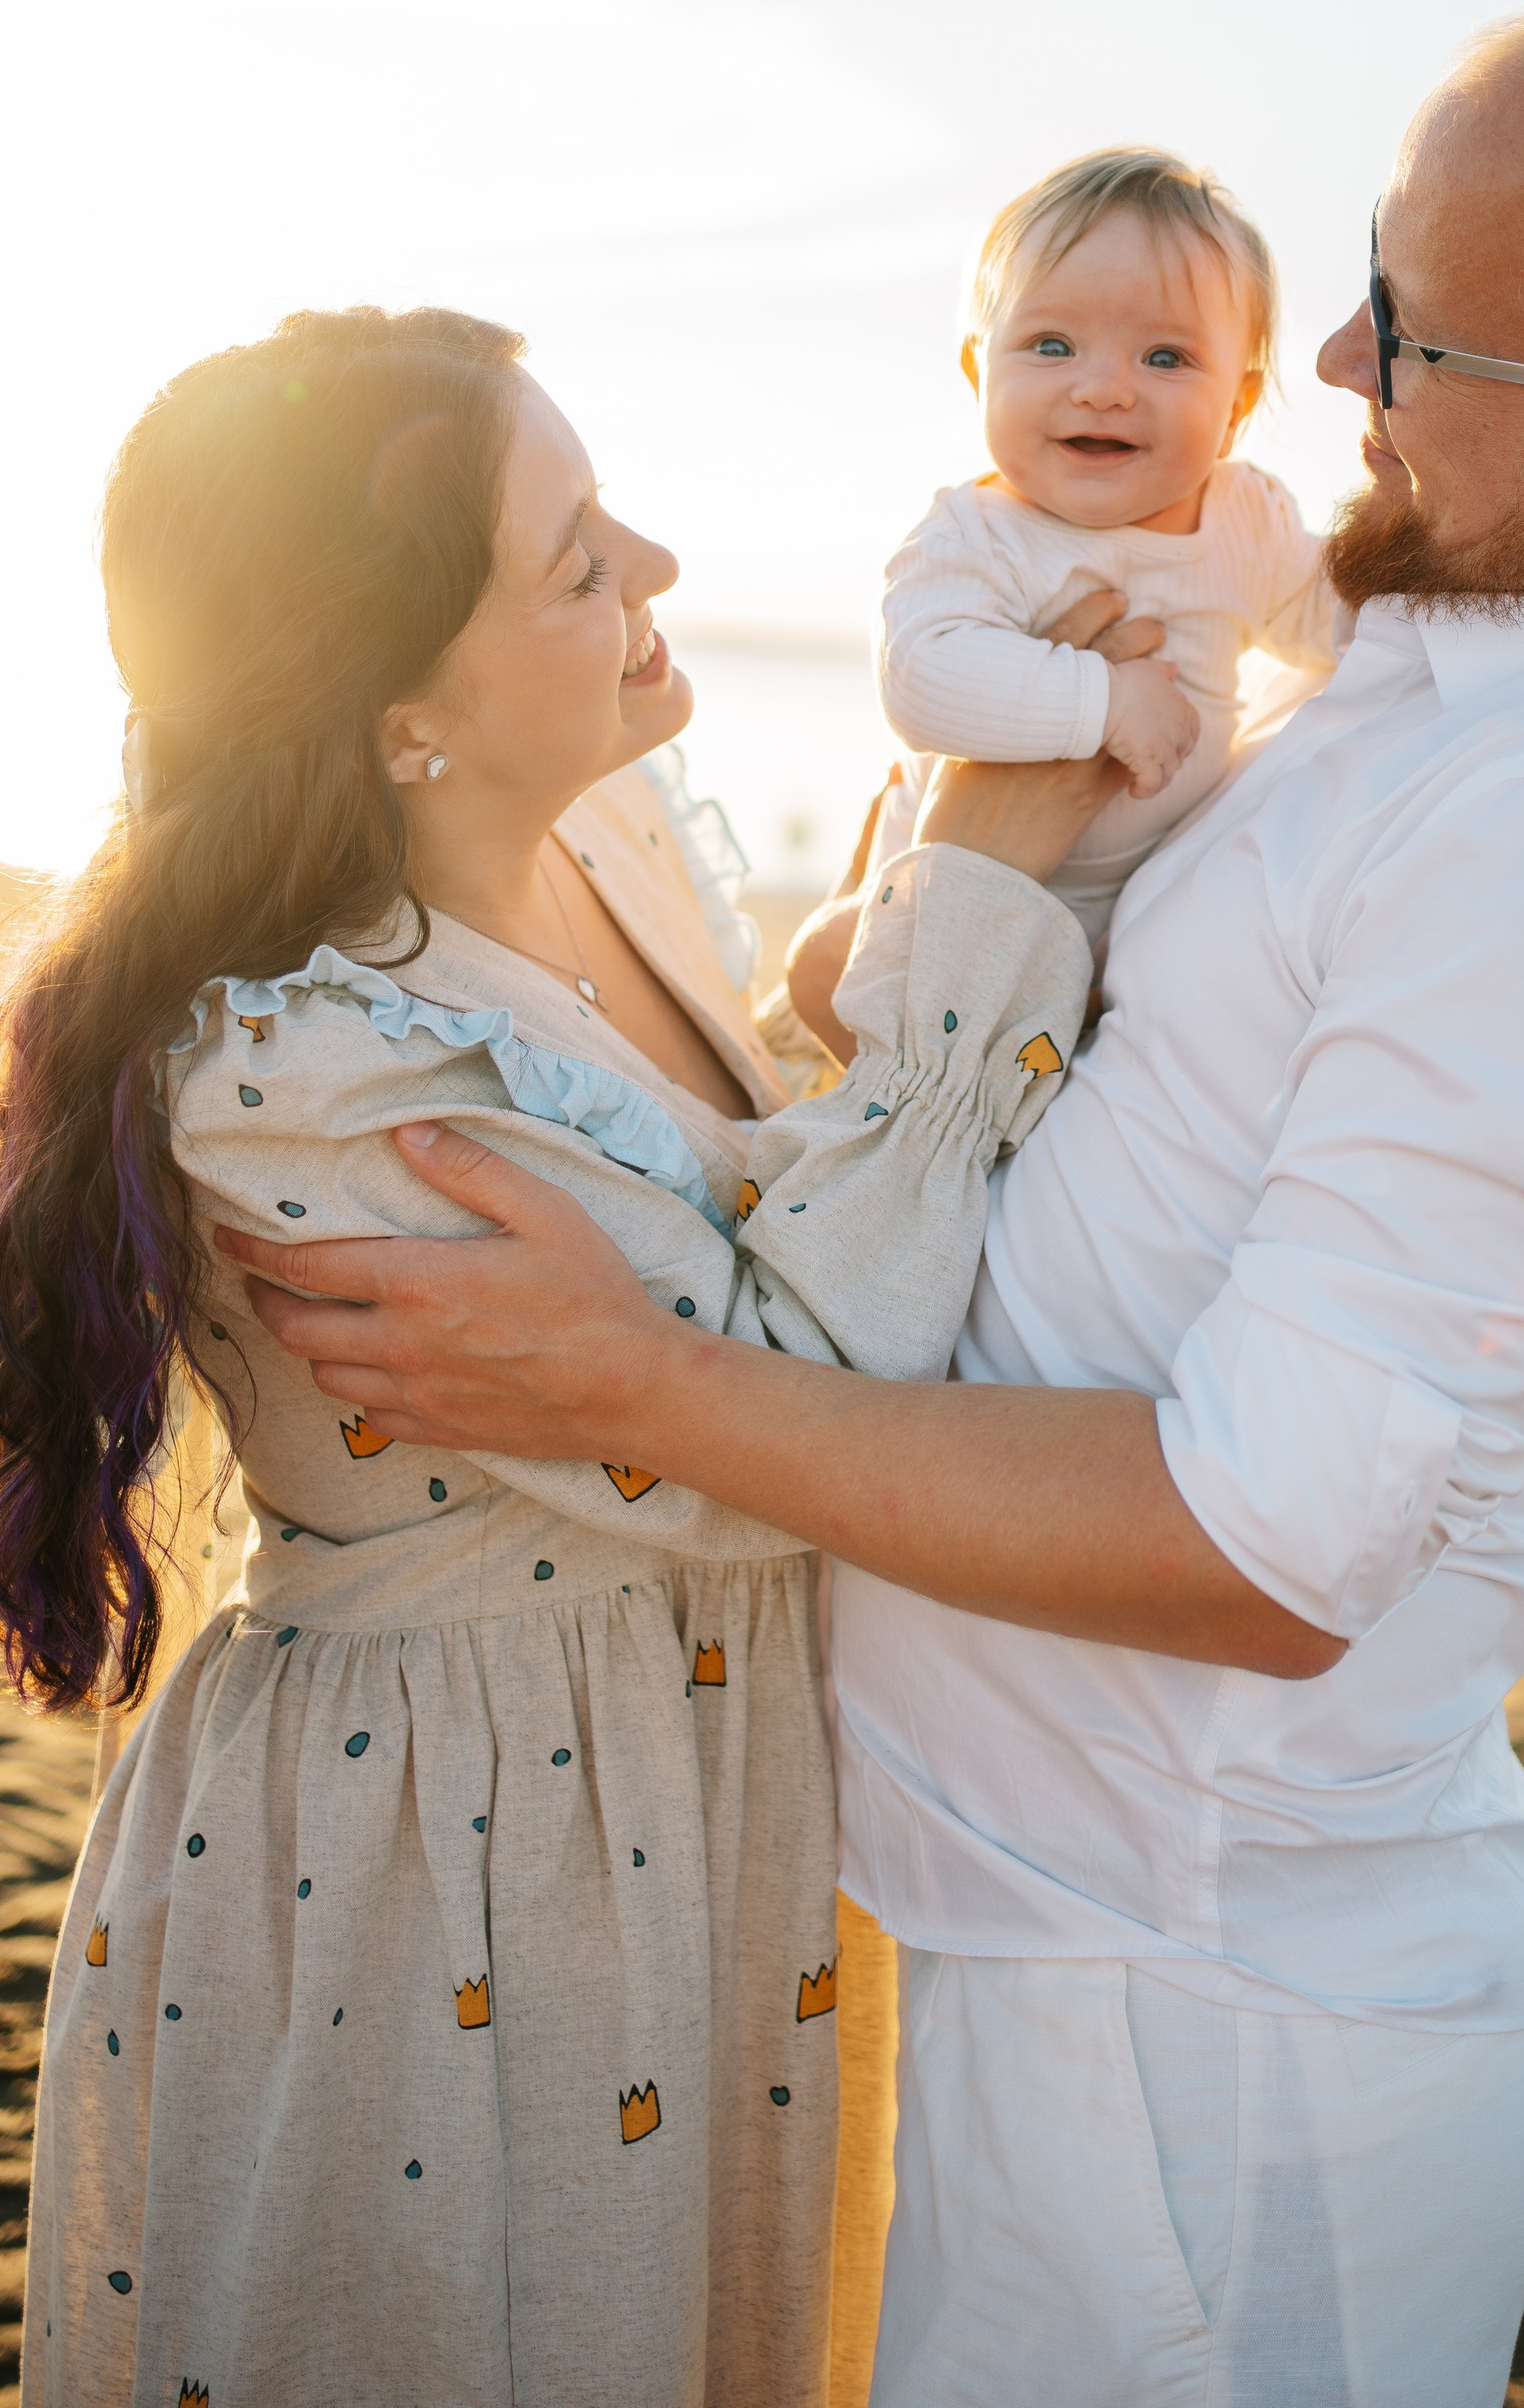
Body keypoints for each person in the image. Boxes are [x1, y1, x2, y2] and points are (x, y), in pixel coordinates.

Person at [222, 0, 1524, 2404]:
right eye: (1364, 258)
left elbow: (1254, 1544)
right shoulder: (1444, 646)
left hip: (1200, 2053)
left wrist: (641, 1380)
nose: (1328, 351)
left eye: (1414, 324)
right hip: (1043, 1959)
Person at [0, 303, 1109, 2408]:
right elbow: (788, 1396)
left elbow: (752, 1212)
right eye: (580, 558)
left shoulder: (599, 840)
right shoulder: (310, 1075)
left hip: (677, 1791)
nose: (659, 576)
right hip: (465, 1850)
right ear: (399, 710)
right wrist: (979, 874)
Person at [875, 145, 1338, 945]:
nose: (1104, 388)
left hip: (1156, 903)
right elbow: (921, 677)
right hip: (961, 913)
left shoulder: (1243, 519)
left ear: (1238, 403)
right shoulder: (978, 536)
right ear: (975, 369)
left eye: (1165, 358)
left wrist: (1456, 595)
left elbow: (1334, 616)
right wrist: (1104, 702)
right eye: (1052, 345)